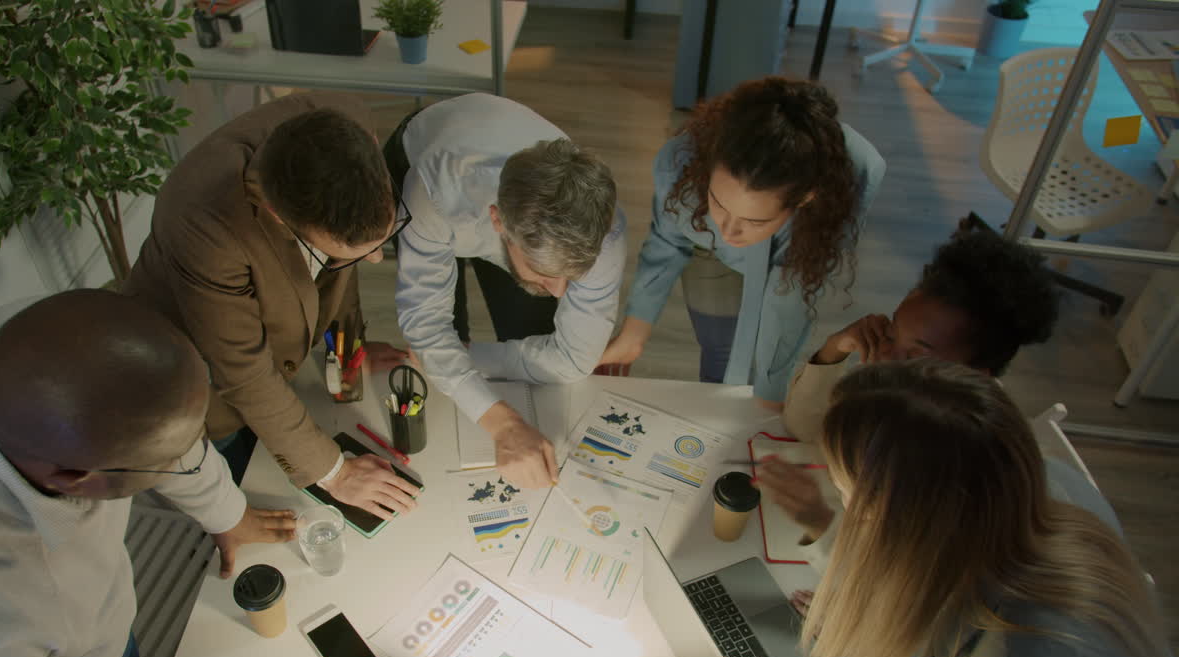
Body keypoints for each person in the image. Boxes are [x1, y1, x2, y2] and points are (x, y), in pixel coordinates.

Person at [0, 290, 299, 657]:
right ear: (74, 478)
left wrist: (227, 513)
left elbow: (155, 415)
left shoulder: (45, 338)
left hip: (101, 637)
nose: (191, 459)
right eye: (171, 463)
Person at [758, 361, 1179, 657]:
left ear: (913, 515)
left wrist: (865, 613)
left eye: (845, 490)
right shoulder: (1034, 487)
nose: (844, 501)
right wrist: (864, 606)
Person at [124, 92, 420, 522]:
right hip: (192, 372)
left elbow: (335, 274)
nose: (375, 260)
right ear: (278, 216)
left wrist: (347, 350)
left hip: (265, 360)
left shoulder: (348, 120)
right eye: (351, 254)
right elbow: (245, 375)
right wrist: (334, 473)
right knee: (237, 486)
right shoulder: (204, 224)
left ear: (371, 145)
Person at [596, 78, 885, 410]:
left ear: (805, 199)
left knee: (764, 378)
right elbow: (666, 242)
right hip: (709, 253)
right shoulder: (679, 163)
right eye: (718, 204)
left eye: (755, 220)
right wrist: (634, 333)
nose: (729, 231)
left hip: (796, 255)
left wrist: (769, 397)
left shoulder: (841, 193)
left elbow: (788, 306)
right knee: (721, 352)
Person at [388, 93, 625, 489]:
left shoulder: (605, 228)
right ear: (498, 222)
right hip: (427, 163)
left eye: (572, 274)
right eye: (545, 273)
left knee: (500, 351)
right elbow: (426, 325)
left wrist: (456, 357)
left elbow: (572, 359)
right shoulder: (432, 191)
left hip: (506, 189)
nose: (560, 293)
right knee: (445, 360)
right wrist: (502, 423)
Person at [783, 224, 1059, 442]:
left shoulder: (962, 443)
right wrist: (834, 349)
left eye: (914, 355)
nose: (884, 355)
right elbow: (805, 428)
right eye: (891, 334)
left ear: (973, 375)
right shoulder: (897, 384)